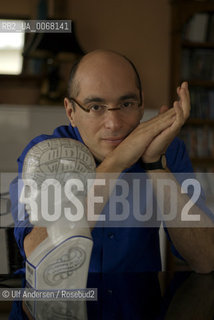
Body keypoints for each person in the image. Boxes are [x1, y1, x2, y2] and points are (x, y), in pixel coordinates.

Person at [10, 49, 214, 276]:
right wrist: (115, 163)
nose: (114, 124)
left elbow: (205, 260)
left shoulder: (168, 150)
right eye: (96, 107)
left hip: (136, 307)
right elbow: (36, 252)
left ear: (141, 104)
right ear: (71, 112)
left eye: (126, 104)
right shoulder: (44, 154)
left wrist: (155, 165)